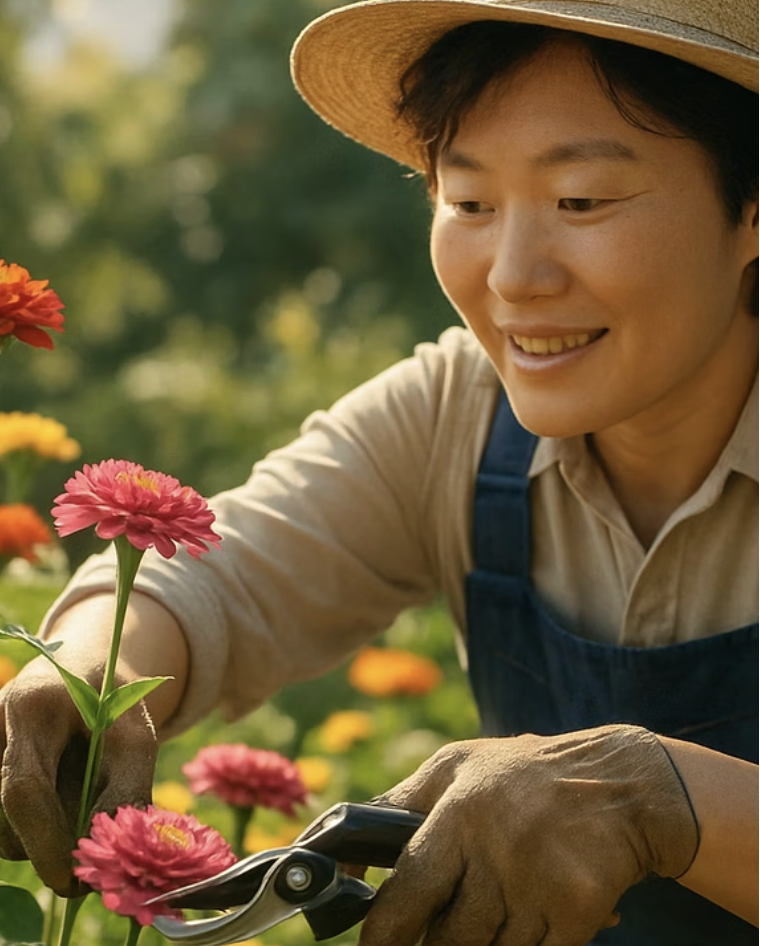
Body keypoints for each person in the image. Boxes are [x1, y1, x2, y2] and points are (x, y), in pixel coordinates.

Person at [0, 0, 757, 943]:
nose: (515, 276)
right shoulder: (456, 416)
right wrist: (79, 678)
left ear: (751, 208)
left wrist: (662, 798)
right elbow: (225, 572)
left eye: (582, 201)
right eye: (470, 202)